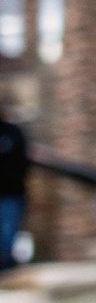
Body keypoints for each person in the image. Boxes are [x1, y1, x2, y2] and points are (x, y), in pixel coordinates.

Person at [0, 102, 28, 270]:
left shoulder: (13, 132)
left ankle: (6, 269)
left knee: (8, 237)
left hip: (12, 193)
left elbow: (23, 161)